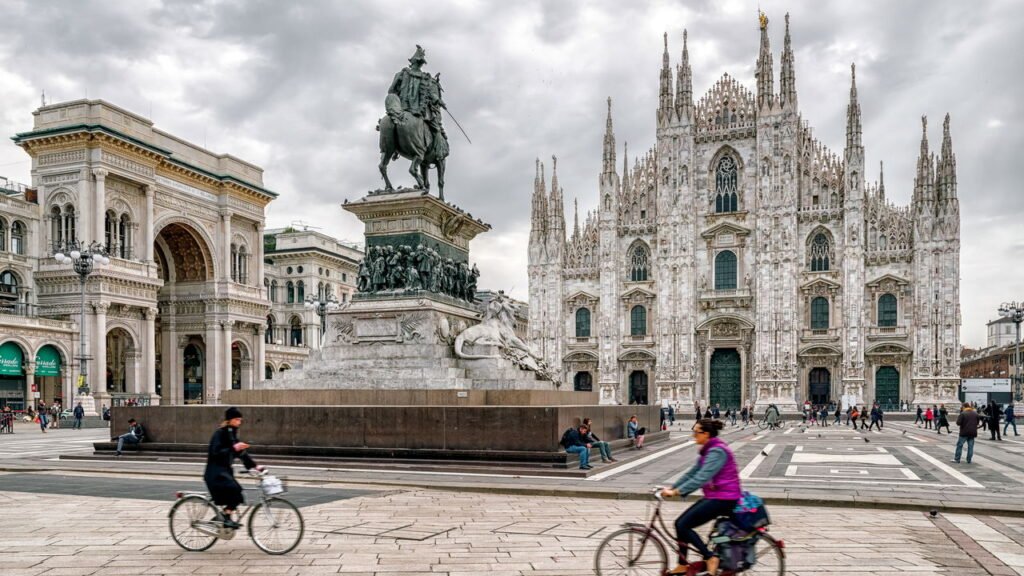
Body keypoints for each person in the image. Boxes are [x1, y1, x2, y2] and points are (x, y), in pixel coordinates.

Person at [660, 419, 741, 575]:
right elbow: (692, 473)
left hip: (725, 498)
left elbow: (701, 478)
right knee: (680, 524)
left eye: (696, 432)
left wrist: (676, 492)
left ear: (706, 434)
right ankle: (683, 564)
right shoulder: (708, 450)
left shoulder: (717, 451)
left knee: (683, 524)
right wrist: (672, 487)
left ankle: (710, 557)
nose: (693, 435)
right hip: (716, 496)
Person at [204, 407, 261, 529]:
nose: (239, 422)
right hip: (215, 473)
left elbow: (242, 454)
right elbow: (215, 452)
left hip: (224, 472)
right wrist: (234, 448)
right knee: (234, 490)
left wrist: (255, 466)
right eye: (237, 419)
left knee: (238, 493)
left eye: (240, 420)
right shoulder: (220, 433)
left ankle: (223, 517)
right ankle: (225, 518)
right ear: (229, 420)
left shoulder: (232, 434)